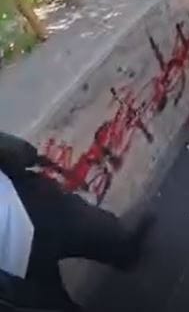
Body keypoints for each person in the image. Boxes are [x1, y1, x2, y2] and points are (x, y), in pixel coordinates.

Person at [0, 131, 154, 311]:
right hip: (13, 269)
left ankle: (128, 252)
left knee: (102, 230)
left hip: (25, 200)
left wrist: (21, 151)